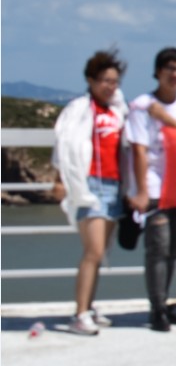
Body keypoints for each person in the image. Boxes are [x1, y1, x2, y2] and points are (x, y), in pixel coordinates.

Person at [51, 49, 129, 337]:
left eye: (114, 81)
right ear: (91, 80)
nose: (110, 86)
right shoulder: (79, 109)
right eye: (105, 80)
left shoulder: (117, 111)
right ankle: (80, 313)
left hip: (113, 185)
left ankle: (89, 306)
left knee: (101, 252)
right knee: (93, 251)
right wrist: (59, 179)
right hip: (88, 185)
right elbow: (65, 145)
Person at [126, 47, 176, 333]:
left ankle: (164, 303)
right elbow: (139, 150)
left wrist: (164, 117)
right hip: (154, 185)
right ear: (158, 71)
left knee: (173, 249)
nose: (175, 74)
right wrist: (141, 191)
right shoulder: (141, 105)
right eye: (170, 68)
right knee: (158, 246)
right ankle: (157, 308)